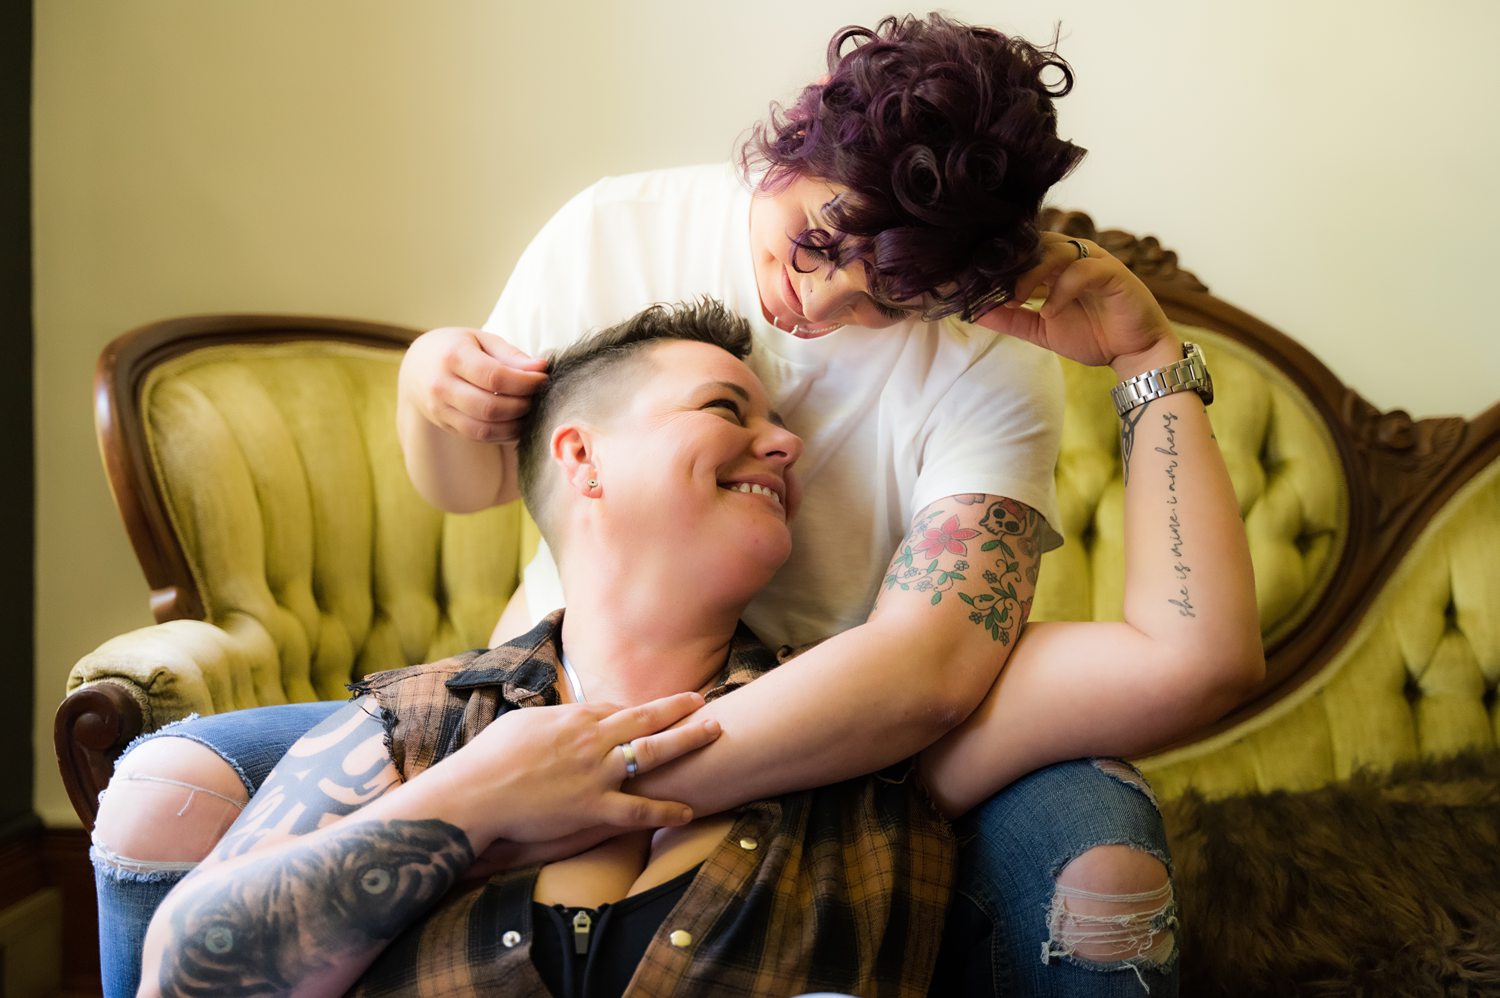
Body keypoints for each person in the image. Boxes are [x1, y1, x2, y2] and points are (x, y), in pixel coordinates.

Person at [92, 14, 1262, 996]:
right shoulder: (614, 233)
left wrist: (1145, 357)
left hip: (832, 720)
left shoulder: (979, 379)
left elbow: (959, 659)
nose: (820, 305)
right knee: (163, 784)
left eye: (888, 298)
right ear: (803, 133)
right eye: (814, 245)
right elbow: (481, 481)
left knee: (1096, 857)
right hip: (537, 690)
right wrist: (427, 397)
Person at [137, 302, 955, 996]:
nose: (785, 445)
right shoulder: (416, 721)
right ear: (582, 457)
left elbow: (1077, 679)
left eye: (778, 425)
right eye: (724, 410)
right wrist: (477, 796)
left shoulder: (872, 734)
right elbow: (181, 970)